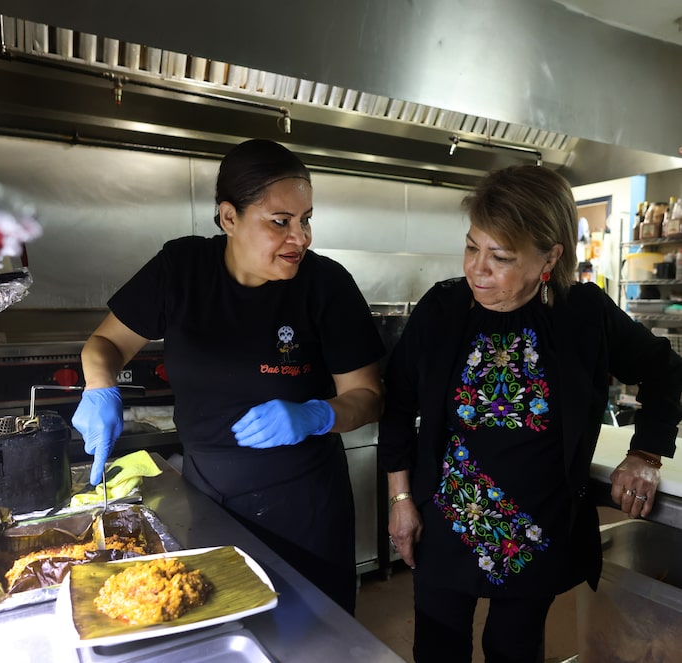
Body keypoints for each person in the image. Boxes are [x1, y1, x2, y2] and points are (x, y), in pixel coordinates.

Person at [378, 164, 682, 663]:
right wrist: (401, 498)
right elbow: (397, 405)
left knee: (514, 650)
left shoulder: (584, 313)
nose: (477, 269)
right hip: (445, 520)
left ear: (550, 257)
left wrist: (645, 453)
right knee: (437, 647)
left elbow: (666, 372)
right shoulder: (443, 308)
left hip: (537, 529)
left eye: (500, 257)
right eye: (472, 247)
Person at [71, 138, 386, 614]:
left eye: (305, 220)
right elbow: (105, 344)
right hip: (205, 495)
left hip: (303, 503)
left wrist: (317, 414)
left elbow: (367, 396)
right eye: (280, 221)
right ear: (229, 217)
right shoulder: (182, 269)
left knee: (314, 632)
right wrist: (100, 386)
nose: (301, 237)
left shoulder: (326, 285)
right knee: (216, 621)